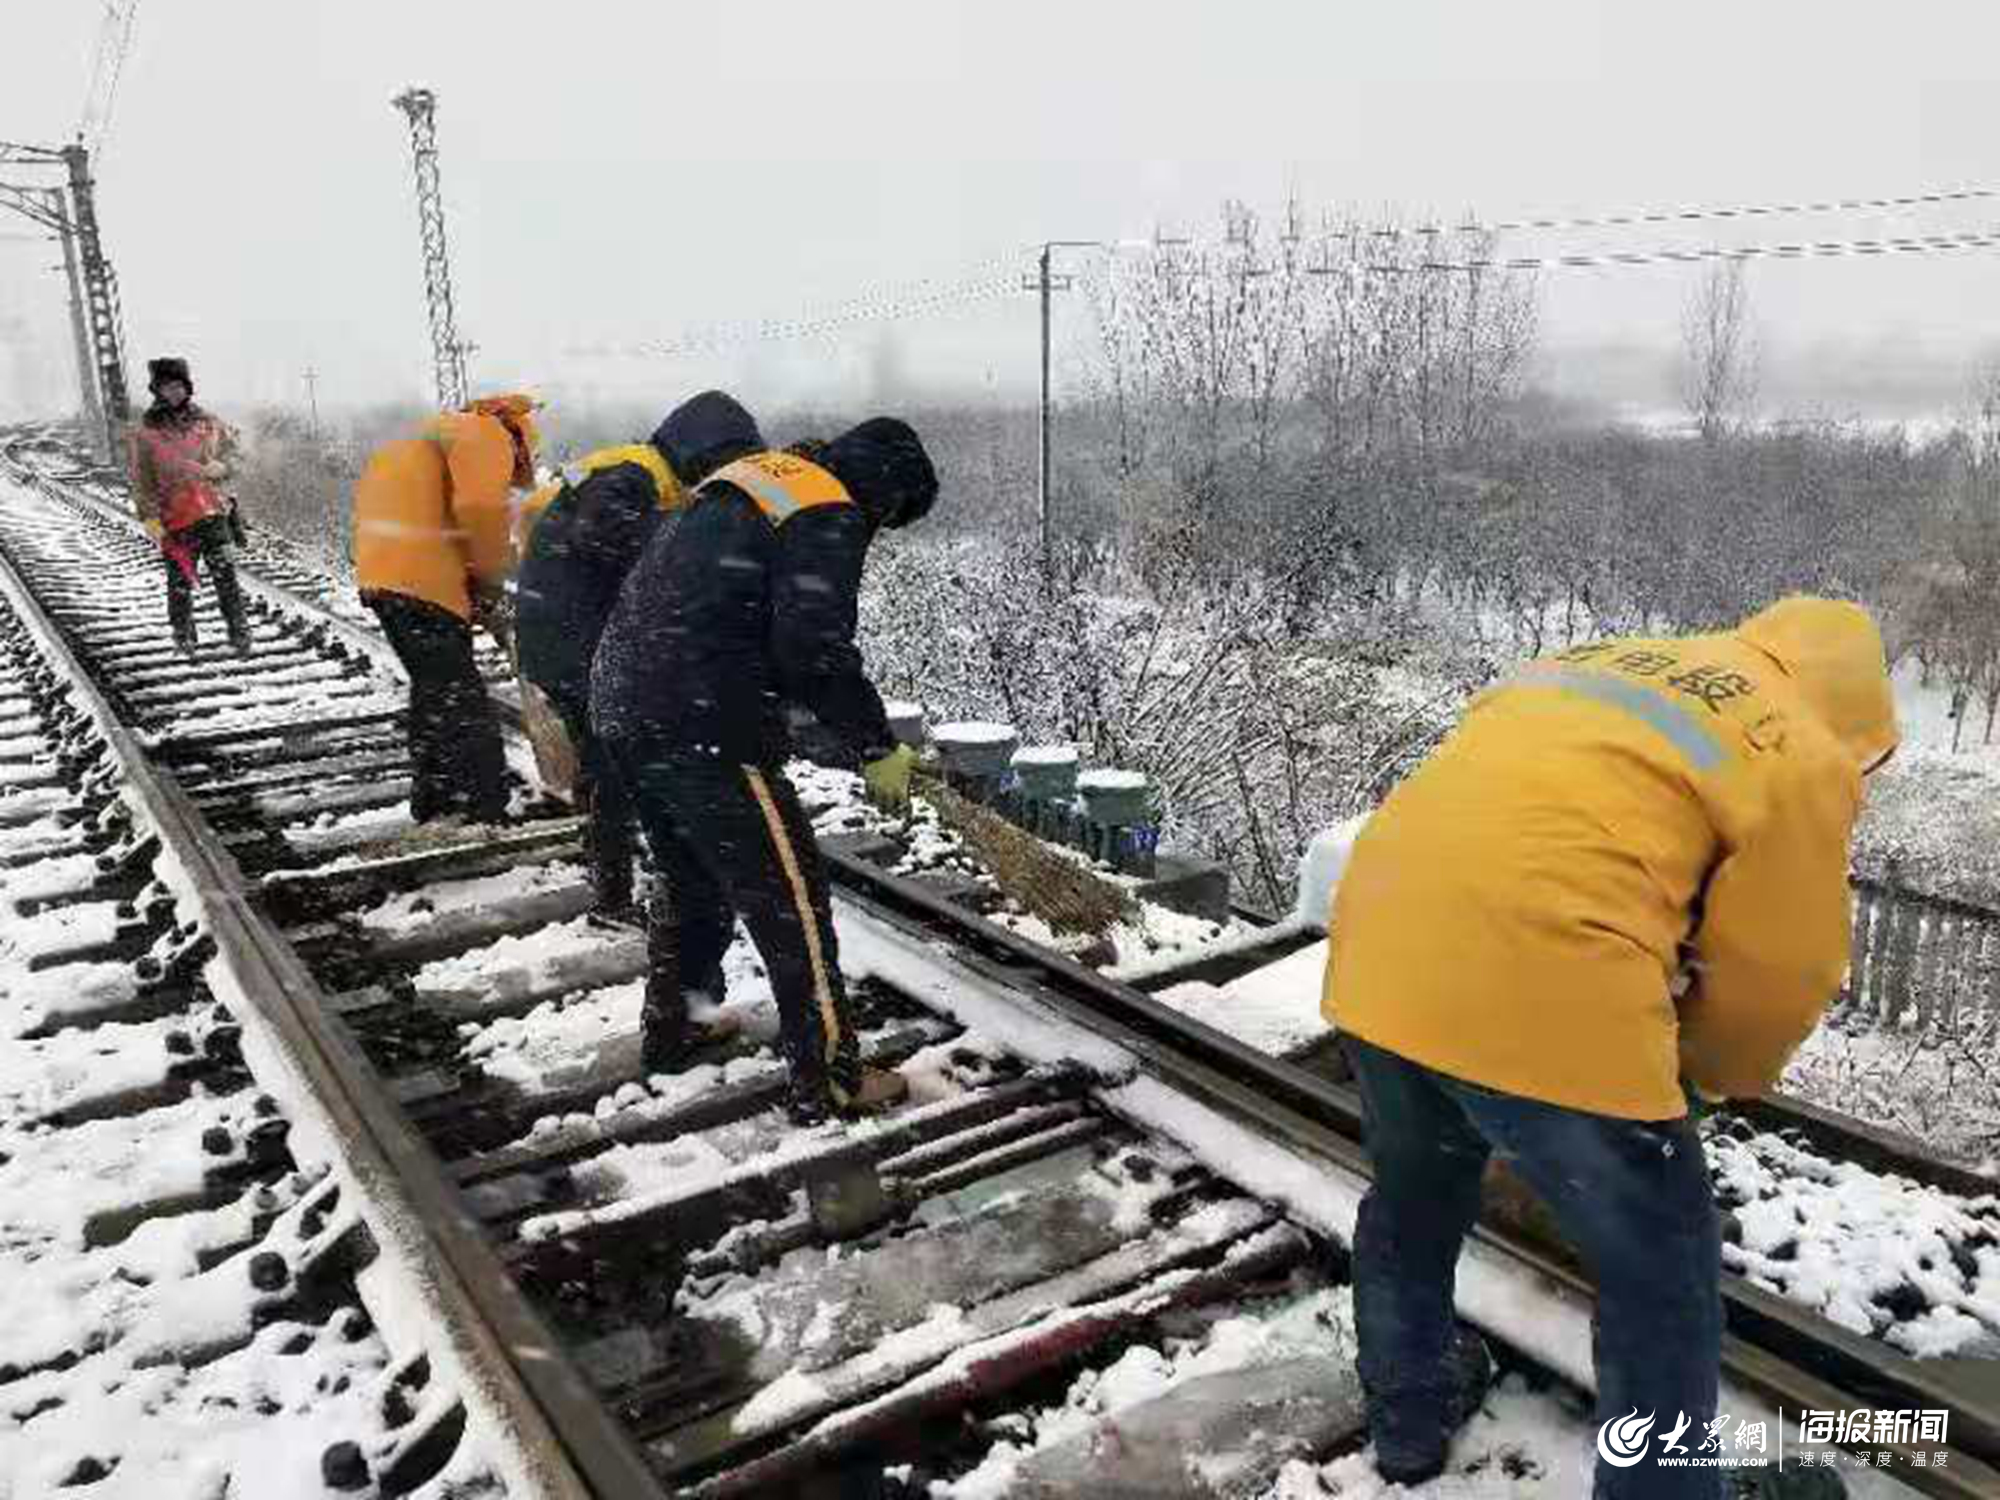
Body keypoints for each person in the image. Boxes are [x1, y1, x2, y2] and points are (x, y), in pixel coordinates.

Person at [1322, 597, 1898, 1497]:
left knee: (1414, 1193)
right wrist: (1701, 1079)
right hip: (1547, 981)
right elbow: (1782, 972)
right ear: (1858, 715)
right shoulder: (1799, 748)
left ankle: (1408, 1416)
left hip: (1377, 948)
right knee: (1661, 1275)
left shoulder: (1602, 661)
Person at [591, 418, 935, 1113]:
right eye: (891, 518)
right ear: (886, 489)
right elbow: (813, 647)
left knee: (693, 880)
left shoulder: (759, 478)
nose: (878, 531)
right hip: (702, 719)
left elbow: (735, 613)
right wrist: (874, 743)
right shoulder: (828, 507)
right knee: (793, 902)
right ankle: (830, 1079)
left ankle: (676, 1023)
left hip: (622, 701)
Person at [514, 390, 764, 917]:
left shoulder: (641, 470)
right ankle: (613, 898)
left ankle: (616, 863)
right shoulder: (633, 474)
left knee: (608, 759)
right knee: (614, 764)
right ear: (703, 453)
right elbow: (606, 533)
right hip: (576, 644)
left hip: (566, 637)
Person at [351, 393, 539, 827]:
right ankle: (480, 807)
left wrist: (470, 586)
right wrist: (492, 579)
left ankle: (435, 799)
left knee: (435, 691)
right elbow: (478, 509)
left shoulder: (427, 438)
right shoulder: (487, 431)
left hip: (385, 576)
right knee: (462, 698)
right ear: (520, 441)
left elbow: (434, 515)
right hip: (422, 580)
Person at [128, 356, 250, 654]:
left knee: (226, 577)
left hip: (212, 512)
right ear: (157, 391)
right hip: (174, 518)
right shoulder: (146, 432)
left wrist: (222, 467)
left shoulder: (208, 422)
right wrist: (150, 518)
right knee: (180, 582)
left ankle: (240, 633)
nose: (174, 392)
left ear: (187, 387)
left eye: (179, 386)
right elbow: (142, 481)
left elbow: (238, 456)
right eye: (167, 387)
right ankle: (183, 636)